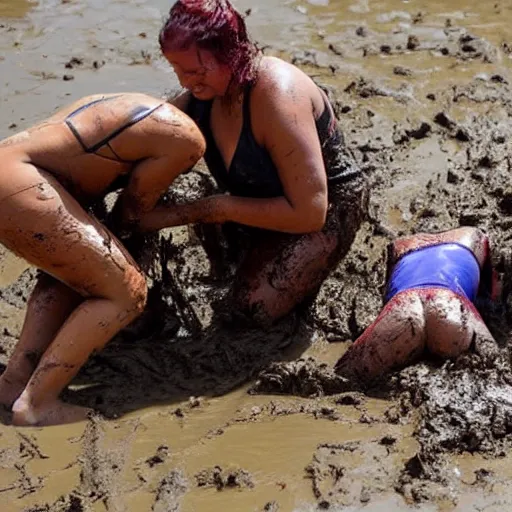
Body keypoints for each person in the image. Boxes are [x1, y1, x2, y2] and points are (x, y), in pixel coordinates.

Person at [137, 0, 368, 326]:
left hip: (324, 209)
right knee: (226, 279)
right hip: (253, 199)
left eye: (194, 71)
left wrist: (211, 209)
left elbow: (310, 212)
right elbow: (140, 136)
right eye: (177, 70)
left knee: (249, 309)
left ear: (230, 52)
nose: (185, 83)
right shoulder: (199, 98)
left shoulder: (276, 94)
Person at [0, 92, 205, 426]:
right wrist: (202, 211)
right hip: (27, 187)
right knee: (125, 292)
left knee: (74, 278)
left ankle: (12, 384)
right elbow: (132, 215)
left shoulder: (131, 104)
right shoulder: (185, 136)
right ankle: (37, 404)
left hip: (12, 169)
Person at [334, 227, 498, 387]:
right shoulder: (475, 235)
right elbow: (493, 297)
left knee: (343, 377)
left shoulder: (398, 245)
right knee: (497, 369)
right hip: (451, 306)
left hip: (404, 307)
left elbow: (385, 292)